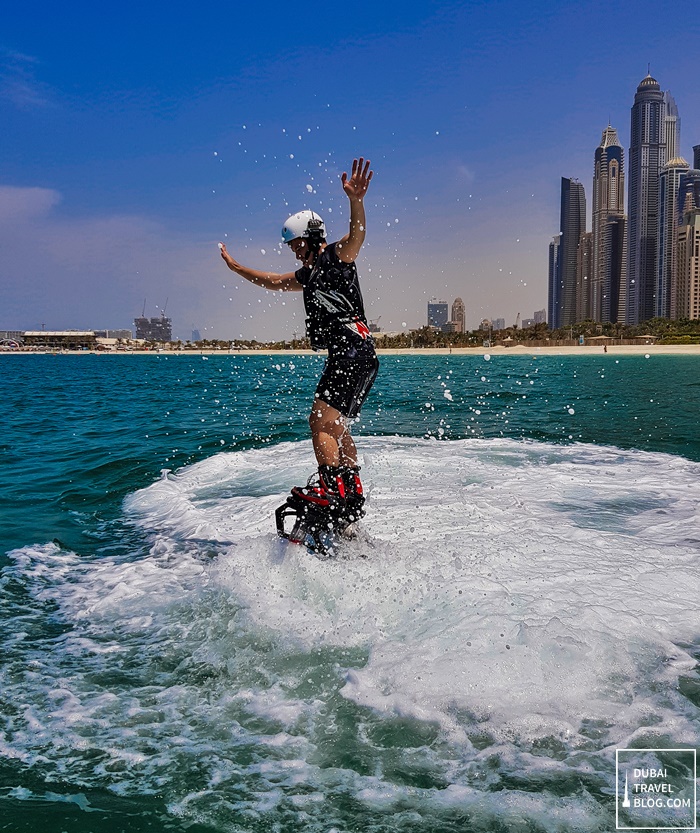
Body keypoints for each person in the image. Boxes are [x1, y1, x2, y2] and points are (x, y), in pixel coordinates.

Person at [219, 157, 379, 519]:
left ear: (312, 239)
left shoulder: (338, 258)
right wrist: (237, 268)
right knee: (335, 426)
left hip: (351, 353)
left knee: (319, 422)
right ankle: (350, 490)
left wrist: (356, 200)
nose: (294, 252)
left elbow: (358, 235)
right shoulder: (308, 276)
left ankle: (331, 490)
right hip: (359, 354)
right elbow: (273, 281)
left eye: (296, 245)